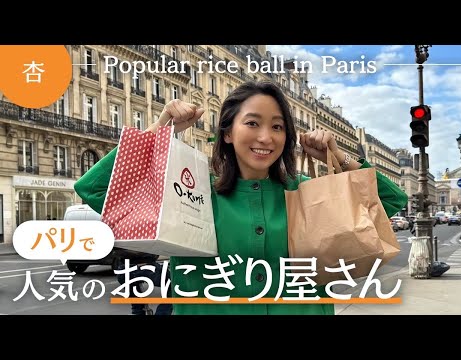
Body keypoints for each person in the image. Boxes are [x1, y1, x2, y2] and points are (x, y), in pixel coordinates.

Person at [74, 81, 408, 315]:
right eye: (253, 123)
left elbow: (389, 202)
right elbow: (96, 189)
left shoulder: (305, 194)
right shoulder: (194, 193)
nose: (266, 137)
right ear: (228, 132)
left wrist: (338, 157)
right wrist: (160, 131)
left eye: (278, 127)